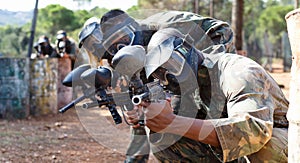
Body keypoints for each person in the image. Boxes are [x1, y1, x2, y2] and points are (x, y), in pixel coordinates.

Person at [79, 9, 236, 163]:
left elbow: (222, 30)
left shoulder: (165, 25)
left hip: (205, 63)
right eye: (114, 47)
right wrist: (137, 111)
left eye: (125, 39)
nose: (121, 47)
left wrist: (208, 69)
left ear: (134, 28)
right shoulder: (121, 56)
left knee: (204, 109)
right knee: (161, 121)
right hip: (172, 76)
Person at [122, 28, 288, 162]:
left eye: (172, 65)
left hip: (284, 142)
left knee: (268, 147)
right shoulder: (188, 84)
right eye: (161, 75)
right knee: (166, 140)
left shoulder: (238, 72)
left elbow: (253, 133)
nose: (170, 78)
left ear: (186, 49)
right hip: (241, 151)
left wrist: (172, 122)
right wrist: (146, 116)